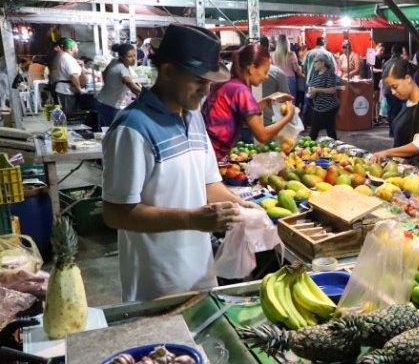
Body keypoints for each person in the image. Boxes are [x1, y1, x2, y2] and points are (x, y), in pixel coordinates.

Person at [102, 24, 263, 302]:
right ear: (168, 72)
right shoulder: (133, 128)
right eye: (199, 80)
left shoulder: (193, 116)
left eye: (210, 82)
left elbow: (208, 183)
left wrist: (237, 204)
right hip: (158, 282)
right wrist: (192, 218)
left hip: (201, 272)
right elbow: (116, 213)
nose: (207, 90)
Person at [202, 43, 294, 161]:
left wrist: (268, 100)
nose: (266, 77)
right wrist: (288, 117)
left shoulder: (230, 84)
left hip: (206, 151)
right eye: (265, 71)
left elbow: (247, 111)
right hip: (211, 155)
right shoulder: (241, 90)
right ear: (251, 68)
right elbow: (262, 135)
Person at [368, 60, 419, 162]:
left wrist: (387, 152)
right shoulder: (407, 103)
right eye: (391, 88)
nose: (393, 92)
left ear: (408, 79)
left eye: (395, 86)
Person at [95, 44, 143, 129]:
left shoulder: (115, 60)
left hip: (102, 101)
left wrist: (110, 84)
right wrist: (145, 92)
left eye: (134, 55)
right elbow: (129, 83)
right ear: (122, 57)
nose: (133, 59)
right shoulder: (122, 69)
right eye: (129, 56)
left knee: (107, 130)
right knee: (110, 132)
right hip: (108, 106)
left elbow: (104, 73)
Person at [308, 52, 341, 140]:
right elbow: (312, 87)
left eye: (315, 62)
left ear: (322, 63)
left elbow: (332, 90)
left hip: (329, 107)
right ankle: (309, 149)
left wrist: (317, 90)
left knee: (330, 130)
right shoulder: (315, 73)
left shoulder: (329, 73)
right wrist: (312, 93)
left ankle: (334, 147)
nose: (313, 64)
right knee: (313, 132)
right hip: (318, 107)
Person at [303, 37, 336, 124]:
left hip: (310, 82)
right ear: (325, 44)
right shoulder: (328, 54)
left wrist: (307, 78)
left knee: (308, 103)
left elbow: (304, 67)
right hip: (323, 83)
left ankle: (306, 122)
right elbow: (333, 68)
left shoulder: (309, 53)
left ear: (316, 43)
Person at [260, 36, 291, 127]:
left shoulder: (231, 70)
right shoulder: (275, 72)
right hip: (268, 122)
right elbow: (285, 100)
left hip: (238, 124)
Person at [51, 38, 82, 113]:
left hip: (62, 89)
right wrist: (79, 90)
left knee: (65, 112)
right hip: (67, 91)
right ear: (72, 48)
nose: (77, 49)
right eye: (76, 47)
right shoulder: (68, 59)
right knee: (70, 114)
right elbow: (74, 76)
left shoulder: (62, 57)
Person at [272, 34, 303, 106]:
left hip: (277, 79)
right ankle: (291, 116)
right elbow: (296, 69)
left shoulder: (272, 54)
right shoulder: (291, 54)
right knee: (291, 100)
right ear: (287, 43)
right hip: (290, 79)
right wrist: (300, 68)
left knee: (279, 101)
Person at [382, 44, 406, 137]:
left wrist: (384, 90)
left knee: (391, 111)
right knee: (398, 111)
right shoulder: (401, 62)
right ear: (400, 52)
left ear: (392, 52)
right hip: (396, 90)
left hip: (387, 90)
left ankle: (392, 132)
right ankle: (397, 132)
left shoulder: (386, 63)